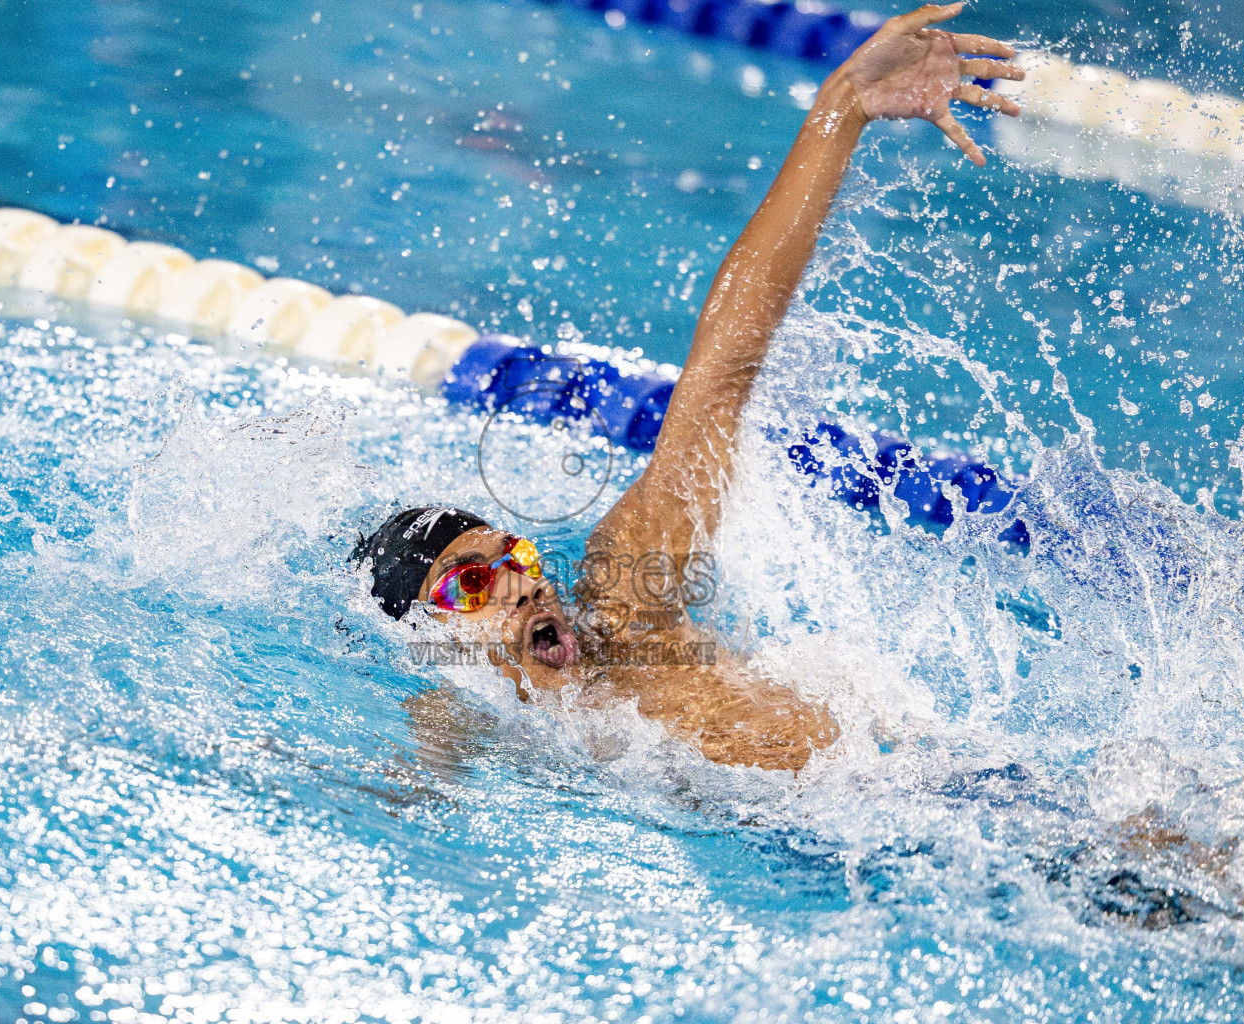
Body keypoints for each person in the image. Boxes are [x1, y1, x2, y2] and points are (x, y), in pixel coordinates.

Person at [355, 4, 1024, 773]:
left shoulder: (626, 598)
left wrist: (842, 107)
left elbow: (725, 368)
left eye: (515, 556)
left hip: (947, 792)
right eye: (471, 585)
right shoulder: (470, 711)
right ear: (428, 637)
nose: (521, 587)